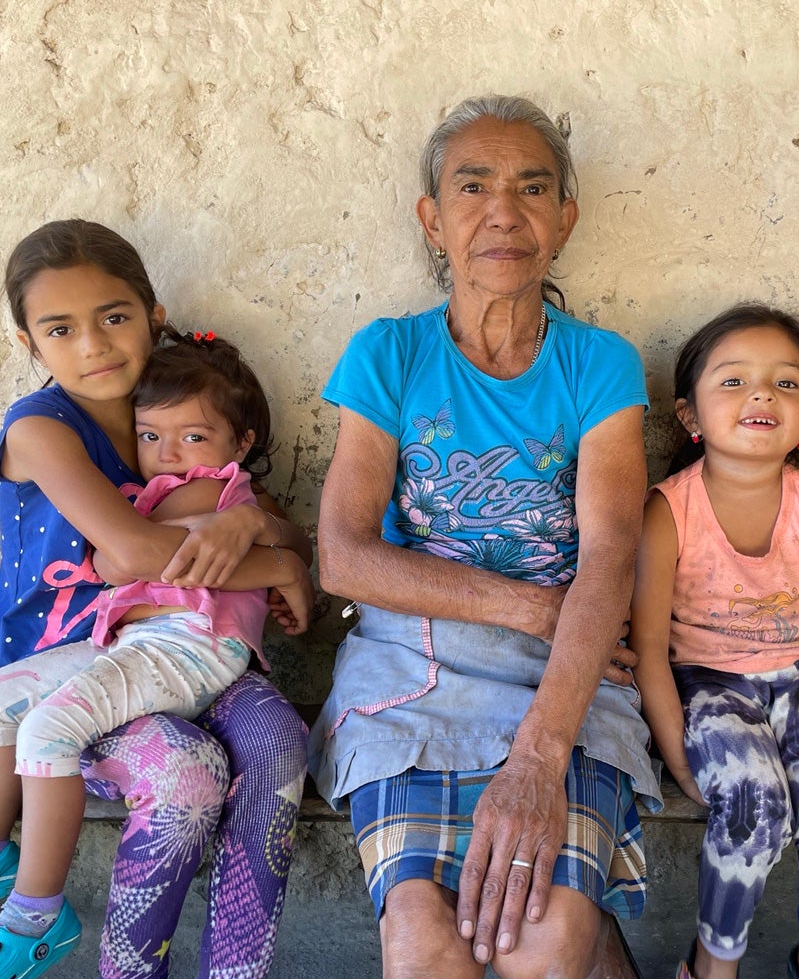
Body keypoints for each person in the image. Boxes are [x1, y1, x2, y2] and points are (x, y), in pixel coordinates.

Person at [0, 219, 312, 979]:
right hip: (72, 671)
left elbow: (280, 525)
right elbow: (140, 555)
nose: (93, 345)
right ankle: (99, 954)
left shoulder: (180, 410)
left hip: (184, 656)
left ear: (152, 315)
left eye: (114, 318)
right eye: (61, 329)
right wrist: (277, 566)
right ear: (28, 342)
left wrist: (257, 528)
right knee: (184, 772)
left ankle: (237, 970)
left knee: (280, 739)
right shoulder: (42, 429)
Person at [309, 94, 651, 979]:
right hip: (412, 666)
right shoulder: (389, 354)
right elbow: (345, 557)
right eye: (473, 186)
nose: (504, 212)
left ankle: (594, 934)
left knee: (544, 947)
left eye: (533, 189)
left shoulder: (600, 363)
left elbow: (612, 555)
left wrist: (541, 755)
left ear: (564, 221)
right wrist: (526, 604)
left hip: (566, 671)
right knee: (424, 948)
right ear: (433, 219)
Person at [630, 305, 799, 979]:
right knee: (752, 803)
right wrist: (674, 751)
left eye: (785, 384)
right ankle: (714, 964)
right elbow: (650, 649)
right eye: (734, 381)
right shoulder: (668, 512)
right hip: (704, 682)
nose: (760, 395)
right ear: (690, 417)